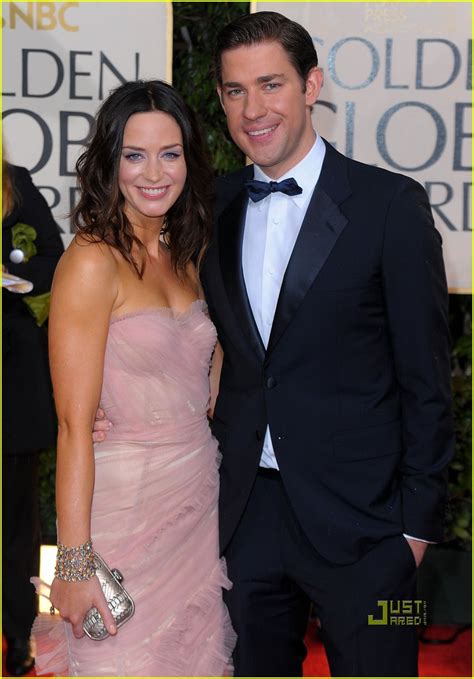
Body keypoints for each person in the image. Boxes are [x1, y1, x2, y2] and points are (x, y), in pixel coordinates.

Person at [93, 11, 454, 677]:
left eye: (271, 84)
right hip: (241, 518)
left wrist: (414, 534)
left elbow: (428, 381)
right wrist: (110, 394)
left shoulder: (389, 205)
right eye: (235, 91)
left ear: (311, 84)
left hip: (370, 532)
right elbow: (168, 318)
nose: (252, 109)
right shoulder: (208, 204)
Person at [31, 80, 235, 677]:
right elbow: (73, 426)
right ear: (110, 161)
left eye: (170, 154)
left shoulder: (188, 253)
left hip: (197, 502)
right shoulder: (92, 261)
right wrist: (72, 564)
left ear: (189, 161)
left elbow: (203, 354)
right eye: (135, 154)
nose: (154, 173)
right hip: (123, 510)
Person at [2, 158, 64, 676]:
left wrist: (11, 278)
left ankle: (19, 636)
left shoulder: (14, 181)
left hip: (13, 388)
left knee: (17, 524)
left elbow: (53, 259)